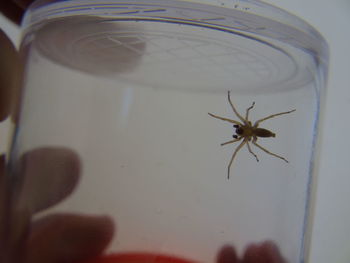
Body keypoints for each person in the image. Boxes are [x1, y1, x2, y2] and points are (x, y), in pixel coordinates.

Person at [0, 1, 286, 262]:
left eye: (240, 129)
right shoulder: (245, 130)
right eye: (240, 130)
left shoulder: (250, 131)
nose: (240, 130)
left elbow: (243, 131)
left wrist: (234, 126)